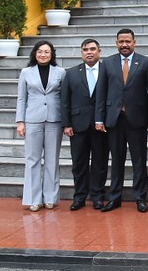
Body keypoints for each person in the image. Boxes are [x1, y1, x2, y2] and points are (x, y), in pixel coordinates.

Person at [95, 28, 148, 213]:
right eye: (121, 41)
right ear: (116, 43)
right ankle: (115, 198)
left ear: (134, 42)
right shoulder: (107, 63)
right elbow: (101, 91)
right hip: (114, 119)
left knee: (139, 161)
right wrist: (99, 118)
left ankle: (140, 198)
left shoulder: (145, 62)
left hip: (137, 119)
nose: (124, 44)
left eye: (128, 41)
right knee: (117, 160)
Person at [16, 41, 65, 212]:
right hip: (32, 119)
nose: (43, 54)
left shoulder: (60, 72)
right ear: (35, 53)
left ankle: (50, 197)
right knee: (32, 159)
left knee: (52, 159)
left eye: (46, 51)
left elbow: (64, 97)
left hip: (54, 120)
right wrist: (20, 121)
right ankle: (33, 199)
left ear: (52, 54)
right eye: (40, 51)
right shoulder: (26, 72)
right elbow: (22, 98)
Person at [60, 38, 109, 211]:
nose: (89, 52)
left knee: (100, 162)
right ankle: (79, 196)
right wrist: (66, 124)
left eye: (92, 49)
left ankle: (97, 196)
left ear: (99, 51)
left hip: (100, 125)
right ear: (81, 53)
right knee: (79, 163)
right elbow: (65, 100)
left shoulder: (107, 70)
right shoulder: (71, 73)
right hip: (78, 125)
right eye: (85, 50)